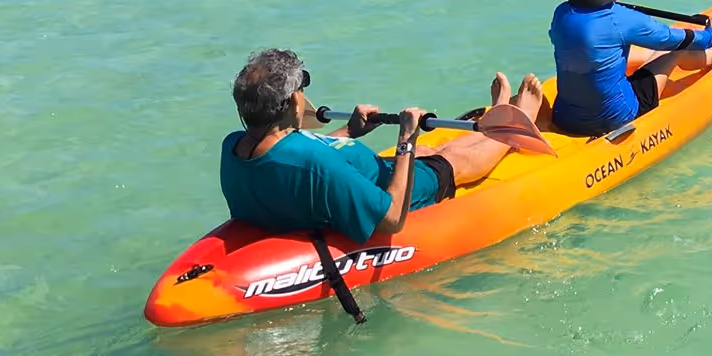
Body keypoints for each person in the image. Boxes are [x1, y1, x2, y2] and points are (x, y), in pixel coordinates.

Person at [220, 48, 545, 245]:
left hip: (360, 171)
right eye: (303, 84)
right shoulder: (313, 161)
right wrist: (405, 141)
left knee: (431, 152)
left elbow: (293, 155)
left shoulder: (234, 146)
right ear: (293, 102)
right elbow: (391, 220)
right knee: (449, 161)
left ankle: (495, 113)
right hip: (388, 191)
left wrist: (348, 131)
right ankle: (511, 127)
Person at [549, 0, 712, 137]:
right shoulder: (622, 19)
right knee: (675, 51)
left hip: (564, 117)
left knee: (599, 54)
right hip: (616, 116)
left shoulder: (561, 13)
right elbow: (672, 39)